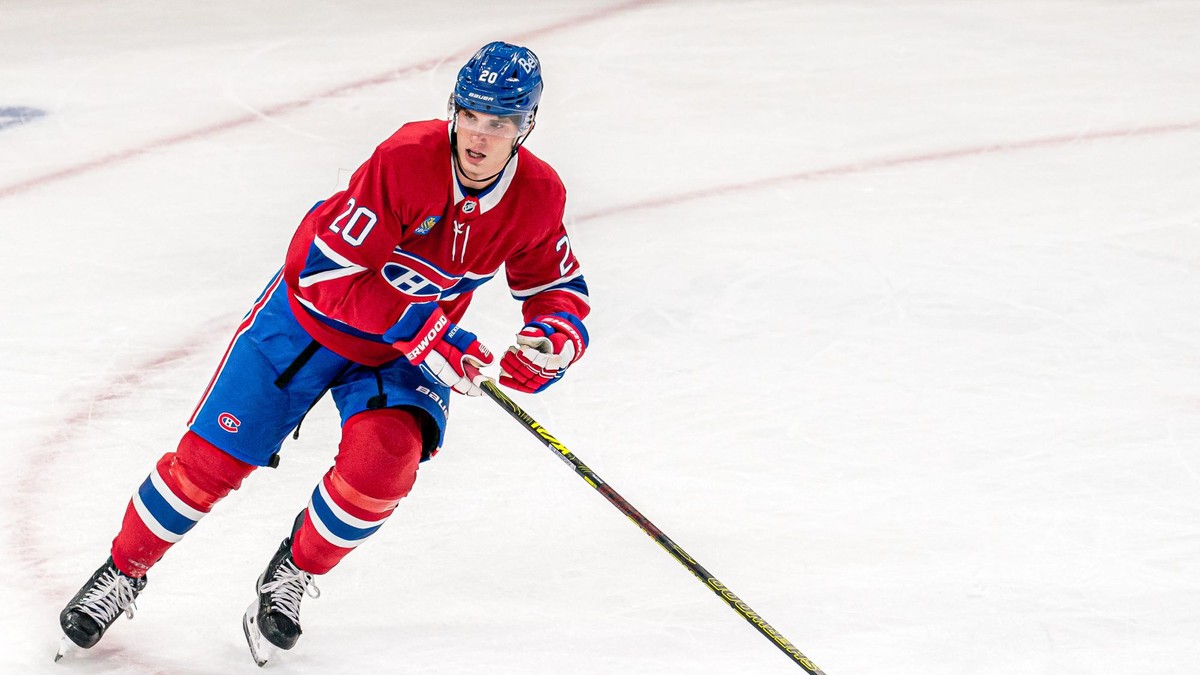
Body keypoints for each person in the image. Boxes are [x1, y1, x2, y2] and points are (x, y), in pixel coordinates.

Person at [57, 41, 590, 665]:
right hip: (310, 324)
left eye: (497, 123)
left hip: (402, 350)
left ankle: (292, 572)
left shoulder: (537, 194)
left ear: (526, 125)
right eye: (469, 115)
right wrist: (430, 331)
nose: (477, 136)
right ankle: (124, 570)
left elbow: (558, 288)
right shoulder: (407, 160)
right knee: (208, 466)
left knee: (384, 468)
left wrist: (553, 343)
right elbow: (323, 275)